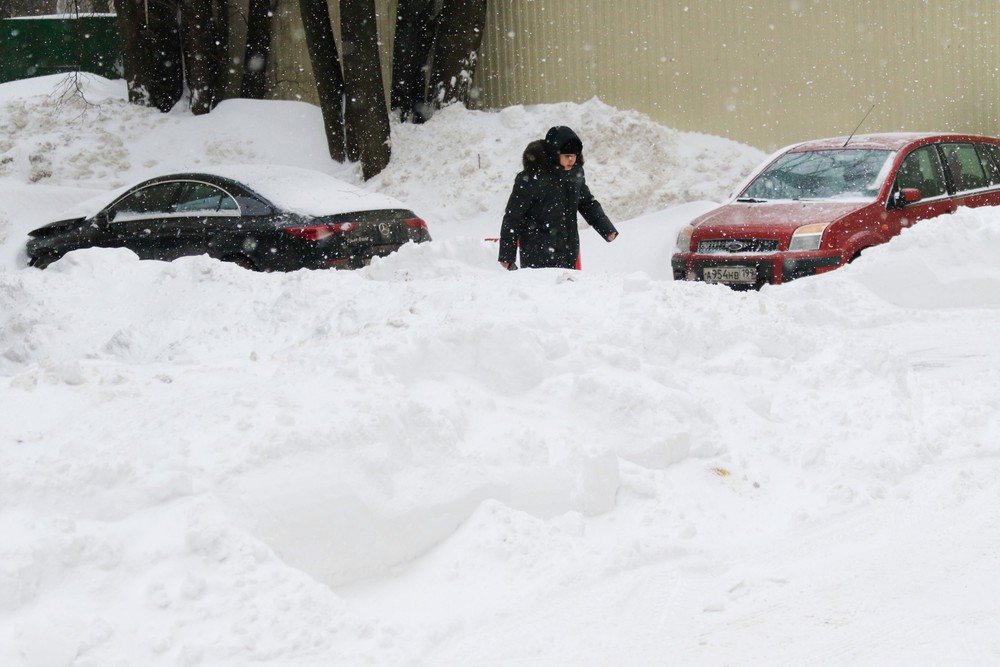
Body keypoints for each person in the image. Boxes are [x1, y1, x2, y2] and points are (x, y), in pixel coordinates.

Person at [498, 126, 618, 270]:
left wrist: (606, 229)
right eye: (567, 155)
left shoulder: (575, 175)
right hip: (537, 253)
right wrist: (507, 255)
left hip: (568, 250)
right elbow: (513, 217)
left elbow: (587, 203)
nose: (572, 159)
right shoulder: (531, 178)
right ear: (554, 153)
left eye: (574, 155)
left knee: (567, 290)